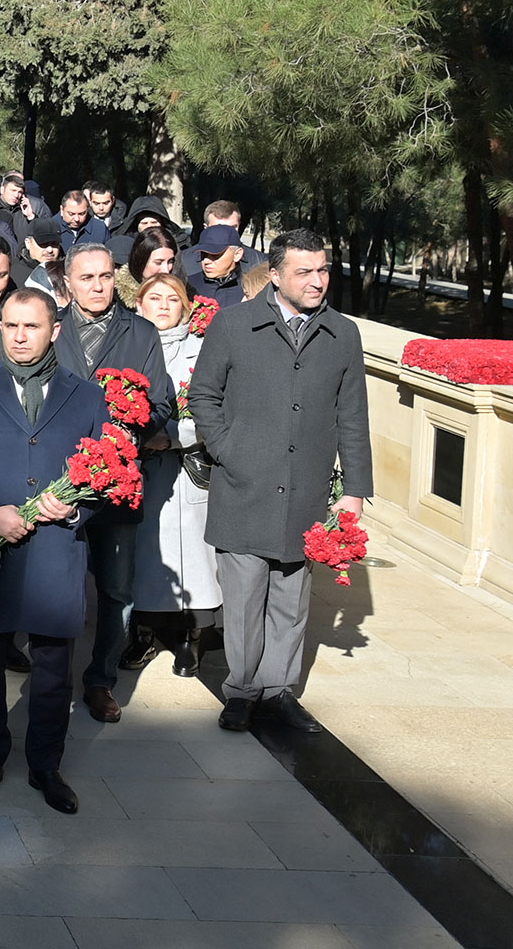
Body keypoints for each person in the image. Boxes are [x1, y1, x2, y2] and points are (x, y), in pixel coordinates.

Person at [0, 290, 112, 815]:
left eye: (30, 326)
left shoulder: (86, 397)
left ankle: (45, 765)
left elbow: (103, 475)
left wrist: (77, 508)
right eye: (10, 326)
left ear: (54, 330)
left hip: (57, 550)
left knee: (55, 669)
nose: (18, 336)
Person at [192, 229, 372, 734]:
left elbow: (352, 416)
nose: (318, 282)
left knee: (291, 603)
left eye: (324, 270)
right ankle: (242, 691)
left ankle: (278, 691)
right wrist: (230, 451)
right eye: (305, 272)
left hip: (306, 491)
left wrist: (354, 490)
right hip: (243, 489)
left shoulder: (343, 333)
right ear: (275, 275)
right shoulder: (233, 325)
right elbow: (203, 397)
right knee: (245, 602)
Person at [55, 242, 172, 723]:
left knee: (116, 589)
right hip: (59, 480)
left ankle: (101, 679)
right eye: (87, 278)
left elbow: (162, 403)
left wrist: (132, 424)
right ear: (68, 283)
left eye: (105, 277)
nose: (98, 286)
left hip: (118, 481)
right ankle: (53, 677)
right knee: (58, 584)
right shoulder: (51, 324)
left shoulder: (140, 332)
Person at [121, 274, 218, 677]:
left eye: (172, 299)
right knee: (144, 555)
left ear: (186, 306)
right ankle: (141, 634)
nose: (163, 306)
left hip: (188, 469)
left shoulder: (203, 350)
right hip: (140, 471)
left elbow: (216, 408)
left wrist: (174, 435)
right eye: (154, 298)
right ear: (139, 305)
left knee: (196, 557)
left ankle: (192, 642)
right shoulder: (128, 347)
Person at [182, 224, 254, 300]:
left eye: (215, 255)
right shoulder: (187, 285)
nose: (206, 261)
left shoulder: (250, 288)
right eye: (203, 254)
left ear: (237, 255)